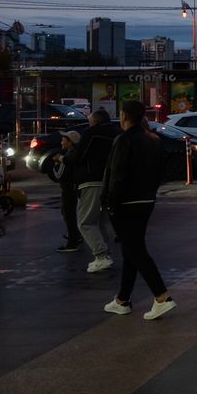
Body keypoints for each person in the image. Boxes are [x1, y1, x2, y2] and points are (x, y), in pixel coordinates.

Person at [101, 100, 175, 320]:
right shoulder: (154, 140)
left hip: (124, 202)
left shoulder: (123, 140)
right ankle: (122, 299)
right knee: (131, 249)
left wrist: (109, 201)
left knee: (136, 250)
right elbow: (162, 170)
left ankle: (161, 296)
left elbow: (117, 172)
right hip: (146, 200)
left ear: (124, 115)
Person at [73, 108, 119, 273]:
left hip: (90, 180)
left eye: (90, 120)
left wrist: (65, 158)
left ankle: (101, 255)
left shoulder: (91, 134)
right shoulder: (117, 134)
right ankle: (104, 254)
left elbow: (78, 155)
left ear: (95, 121)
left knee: (85, 221)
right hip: (109, 181)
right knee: (101, 220)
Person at [53, 130, 84, 252]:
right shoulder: (75, 154)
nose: (61, 142)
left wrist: (56, 163)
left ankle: (72, 241)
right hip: (75, 188)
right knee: (70, 213)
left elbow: (59, 175)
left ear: (71, 142)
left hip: (68, 189)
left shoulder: (67, 158)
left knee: (69, 214)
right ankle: (76, 235)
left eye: (64, 140)